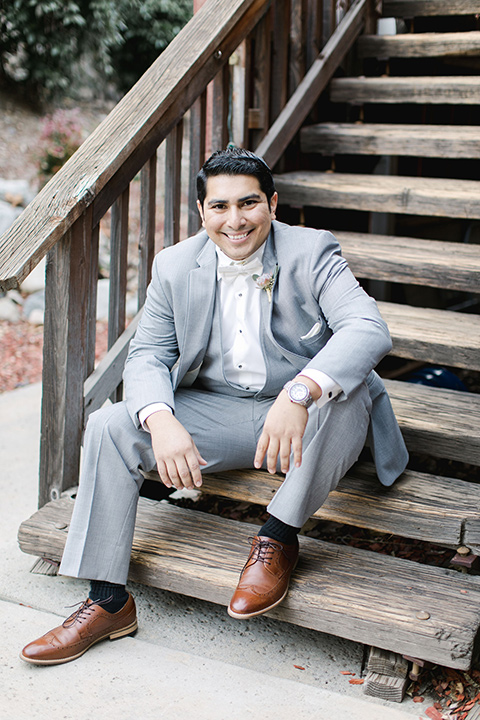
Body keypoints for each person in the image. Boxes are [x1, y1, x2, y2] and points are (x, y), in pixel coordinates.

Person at [20, 147, 408, 665]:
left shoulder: (312, 251)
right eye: (220, 207)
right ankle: (107, 601)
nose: (235, 220)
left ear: (272, 203)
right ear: (202, 213)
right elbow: (149, 354)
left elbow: (367, 328)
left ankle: (277, 538)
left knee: (351, 388)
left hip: (305, 419)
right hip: (219, 411)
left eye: (248, 204)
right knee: (111, 422)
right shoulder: (176, 265)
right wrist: (159, 420)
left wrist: (300, 393)